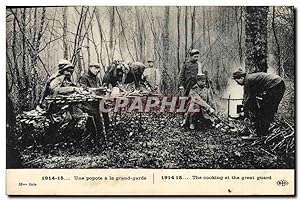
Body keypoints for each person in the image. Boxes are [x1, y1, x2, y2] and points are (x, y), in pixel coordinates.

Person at [41, 59, 86, 146]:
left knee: (78, 115)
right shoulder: (57, 78)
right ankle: (48, 142)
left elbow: (71, 86)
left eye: (70, 71)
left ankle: (65, 136)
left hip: (65, 104)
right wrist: (72, 89)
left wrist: (78, 89)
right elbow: (55, 89)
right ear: (62, 70)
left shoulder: (66, 78)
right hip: (53, 105)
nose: (69, 73)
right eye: (67, 70)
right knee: (58, 121)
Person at [232, 69, 286, 138]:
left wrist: (244, 110)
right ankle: (264, 132)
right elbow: (252, 95)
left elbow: (248, 97)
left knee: (264, 112)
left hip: (275, 86)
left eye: (237, 81)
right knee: (267, 110)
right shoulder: (250, 79)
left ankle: (261, 134)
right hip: (279, 84)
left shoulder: (247, 81)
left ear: (241, 78)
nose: (238, 84)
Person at [78, 63, 109, 134]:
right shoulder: (84, 77)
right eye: (95, 68)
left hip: (98, 98)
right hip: (89, 101)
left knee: (105, 110)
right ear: (90, 68)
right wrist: (95, 89)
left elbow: (99, 87)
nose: (97, 70)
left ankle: (107, 129)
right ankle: (97, 131)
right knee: (95, 114)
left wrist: (103, 89)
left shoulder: (97, 78)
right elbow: (84, 89)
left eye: (98, 68)